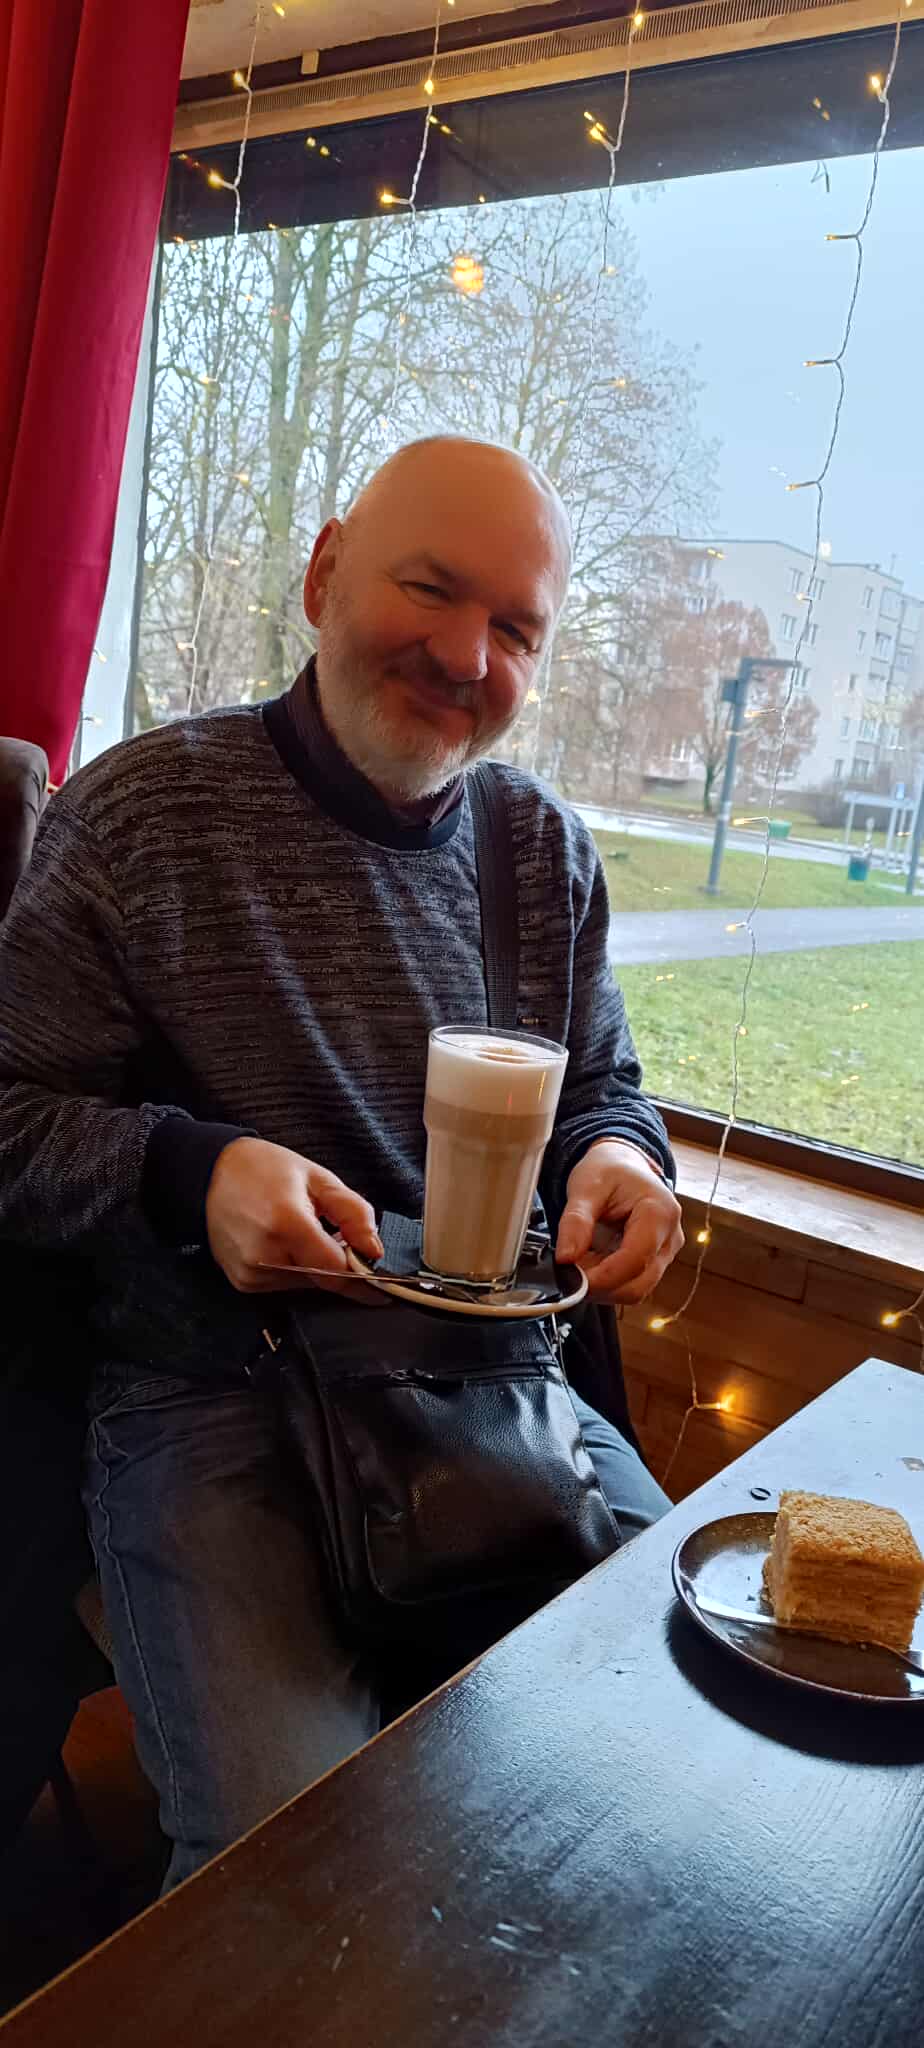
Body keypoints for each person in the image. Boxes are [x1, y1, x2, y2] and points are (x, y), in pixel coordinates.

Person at [0, 436, 683, 1890]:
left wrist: (625, 1160)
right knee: (296, 1876)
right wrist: (189, 1171)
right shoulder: (141, 817)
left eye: (516, 630)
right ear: (322, 576)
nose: (466, 656)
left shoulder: (541, 853)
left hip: (492, 1384)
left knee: (660, 1756)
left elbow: (601, 1087)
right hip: (209, 1397)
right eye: (429, 590)